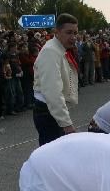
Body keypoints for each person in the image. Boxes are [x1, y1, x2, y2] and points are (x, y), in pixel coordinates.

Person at [33, 13, 79, 146]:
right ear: (57, 32)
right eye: (69, 32)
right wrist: (66, 123)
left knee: (57, 152)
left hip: (50, 110)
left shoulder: (58, 48)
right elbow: (52, 91)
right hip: (47, 111)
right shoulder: (51, 51)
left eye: (75, 33)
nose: (73, 37)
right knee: (54, 154)